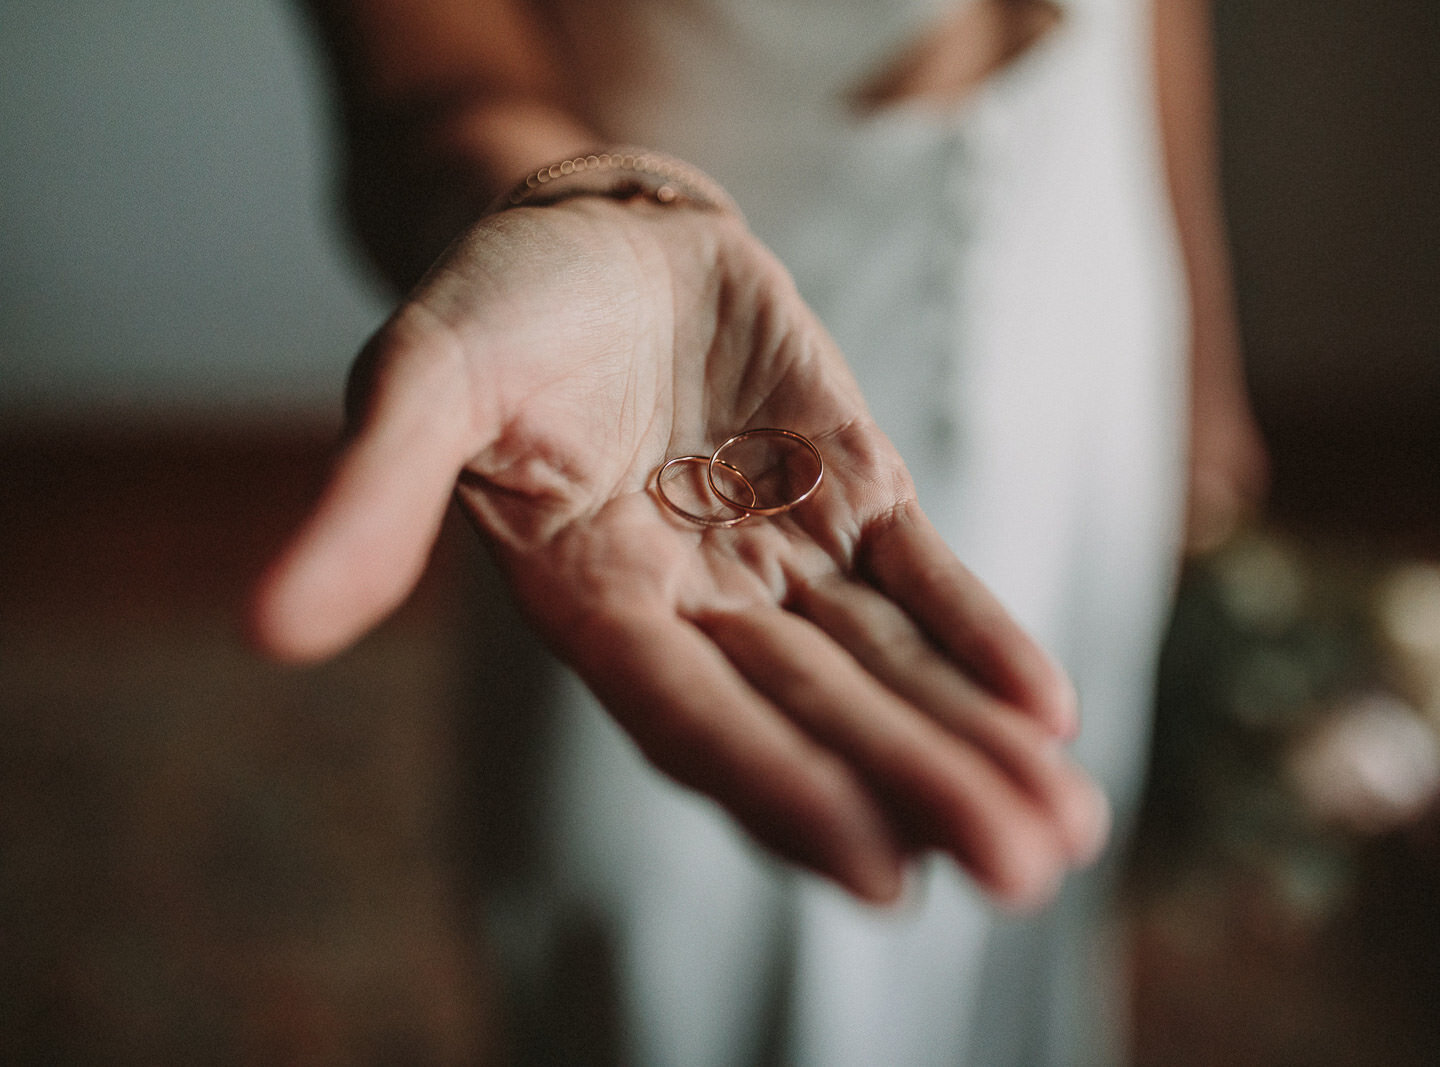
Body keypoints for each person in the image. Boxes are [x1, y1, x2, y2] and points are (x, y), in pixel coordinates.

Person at [252, 0, 1267, 1062]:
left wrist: (1202, 334)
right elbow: (425, 76)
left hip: (1084, 295)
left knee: (1017, 870)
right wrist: (563, 206)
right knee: (667, 951)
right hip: (666, 369)